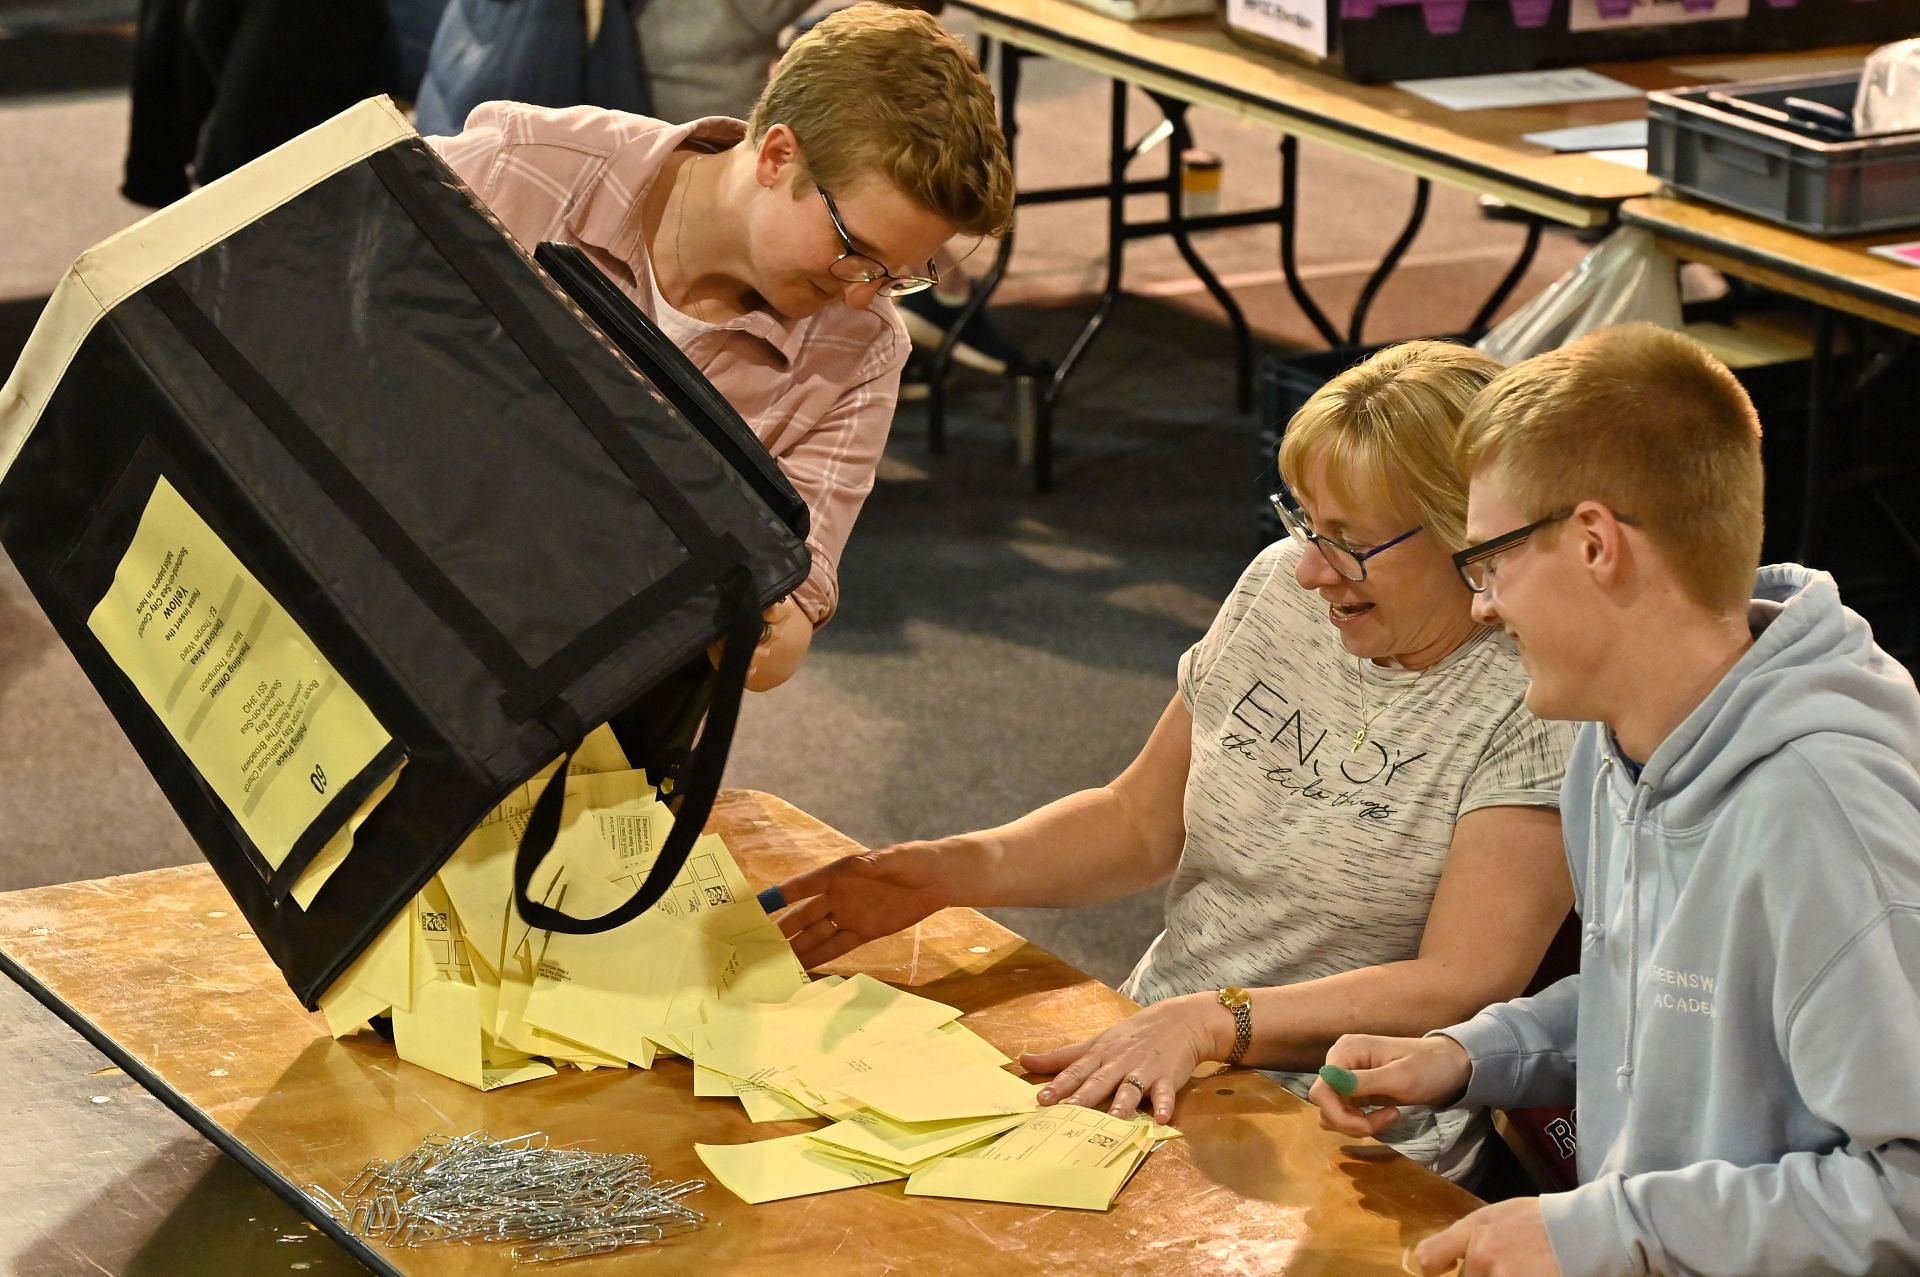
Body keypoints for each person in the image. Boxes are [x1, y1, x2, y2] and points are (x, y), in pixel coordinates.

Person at [773, 341, 1579, 1182]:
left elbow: (1461, 980)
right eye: (1303, 520)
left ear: (1470, 538)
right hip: (1155, 1052)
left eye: (1348, 541)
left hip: (1347, 1135)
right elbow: (1138, 820)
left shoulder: (1532, 692)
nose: (1308, 568)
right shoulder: (1280, 588)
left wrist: (1212, 1021)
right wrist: (950, 870)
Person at [1308, 323, 1920, 1275]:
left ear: (1595, 542)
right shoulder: (1618, 733)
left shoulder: (1822, 813)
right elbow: (1670, 1000)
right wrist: (1471, 1055)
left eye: (1491, 561)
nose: (1481, 604)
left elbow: (1908, 1196)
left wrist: (1604, 1231)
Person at [429, 2, 1014, 690]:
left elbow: (793, 604)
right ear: (777, 155)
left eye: (899, 276)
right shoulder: (523, 169)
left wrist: (763, 612)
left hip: (572, 696)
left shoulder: (863, 351)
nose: (863, 294)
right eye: (856, 252)